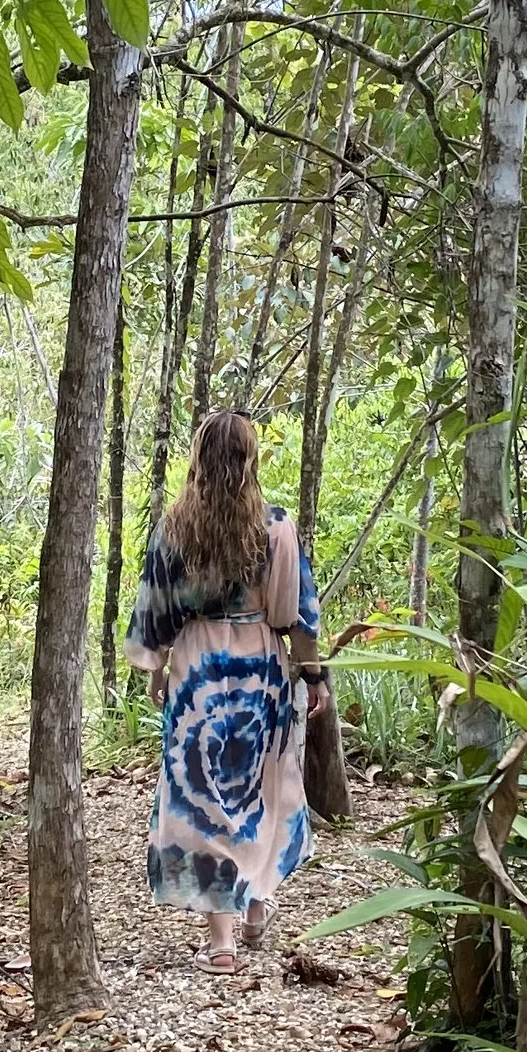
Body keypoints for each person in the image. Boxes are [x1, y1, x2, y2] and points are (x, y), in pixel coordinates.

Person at [127, 409, 329, 976]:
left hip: (198, 669)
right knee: (268, 788)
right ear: (249, 461)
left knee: (201, 794)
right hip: (260, 665)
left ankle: (221, 943)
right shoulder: (275, 527)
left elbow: (156, 608)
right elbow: (297, 616)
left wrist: (157, 671)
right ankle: (259, 902)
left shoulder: (174, 527)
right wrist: (312, 676)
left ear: (199, 459)